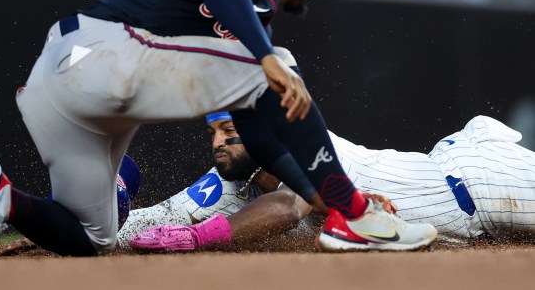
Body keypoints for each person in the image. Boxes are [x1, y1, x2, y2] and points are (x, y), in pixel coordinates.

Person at [0, 0, 436, 258]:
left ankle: (1, 199)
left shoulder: (253, 19)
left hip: (58, 94)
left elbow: (258, 135)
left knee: (92, 239)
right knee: (278, 69)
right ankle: (354, 215)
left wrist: (315, 197)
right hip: (95, 54)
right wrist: (265, 57)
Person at [127, 113, 535, 252]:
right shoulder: (235, 177)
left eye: (229, 129)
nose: (218, 142)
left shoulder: (300, 140)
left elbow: (289, 207)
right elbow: (148, 223)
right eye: (212, 131)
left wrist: (199, 237)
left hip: (480, 181)